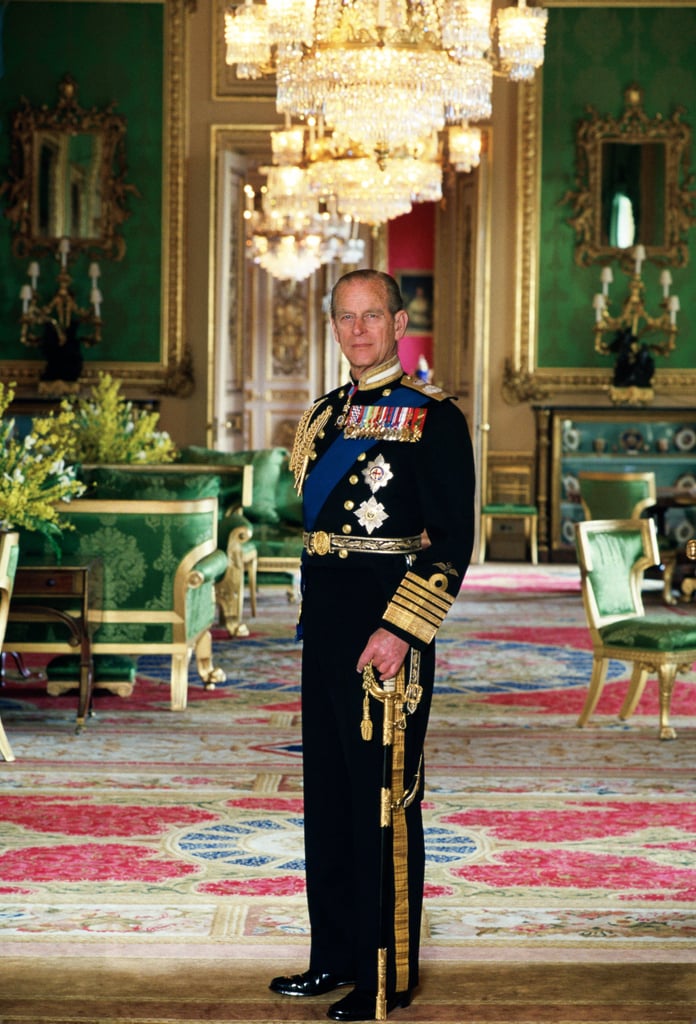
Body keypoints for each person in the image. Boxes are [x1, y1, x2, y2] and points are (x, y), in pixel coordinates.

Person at [269, 269, 476, 1022]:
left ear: (397, 322)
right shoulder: (324, 416)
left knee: (382, 803)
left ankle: (384, 975)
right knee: (327, 800)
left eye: (371, 316)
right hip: (324, 630)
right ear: (334, 327)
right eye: (345, 318)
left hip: (387, 635)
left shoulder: (433, 418)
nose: (357, 331)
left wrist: (402, 631)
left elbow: (453, 543)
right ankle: (333, 959)